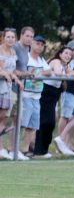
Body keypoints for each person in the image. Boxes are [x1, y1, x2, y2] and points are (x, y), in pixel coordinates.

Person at [38, 46, 74, 157]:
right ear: (60, 54)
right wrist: (67, 75)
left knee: (51, 122)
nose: (68, 56)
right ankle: (39, 150)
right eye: (66, 53)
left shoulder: (65, 66)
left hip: (54, 93)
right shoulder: (56, 61)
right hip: (47, 92)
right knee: (46, 122)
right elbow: (58, 73)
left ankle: (43, 150)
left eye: (70, 54)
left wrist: (68, 74)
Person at [20, 36, 52, 158]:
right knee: (23, 123)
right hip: (26, 94)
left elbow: (48, 72)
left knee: (31, 125)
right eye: (37, 44)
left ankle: (26, 149)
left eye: (42, 45)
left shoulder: (41, 60)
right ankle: (14, 149)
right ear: (31, 45)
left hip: (37, 95)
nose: (40, 46)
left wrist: (40, 74)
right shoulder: (25, 57)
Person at [7, 27, 34, 160]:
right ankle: (9, 150)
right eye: (27, 36)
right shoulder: (16, 48)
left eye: (31, 37)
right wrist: (26, 74)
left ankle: (12, 150)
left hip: (19, 88)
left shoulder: (27, 49)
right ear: (21, 35)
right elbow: (13, 70)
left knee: (18, 120)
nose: (29, 39)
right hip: (10, 87)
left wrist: (26, 75)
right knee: (6, 119)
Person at [0, 28, 24, 160]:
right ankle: (1, 149)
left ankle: (2, 149)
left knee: (3, 117)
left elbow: (12, 70)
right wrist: (10, 75)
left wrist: (18, 81)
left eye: (12, 37)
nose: (10, 39)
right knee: (0, 117)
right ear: (3, 38)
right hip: (1, 86)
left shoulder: (13, 51)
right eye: (8, 37)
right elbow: (3, 70)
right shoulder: (0, 50)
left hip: (8, 88)